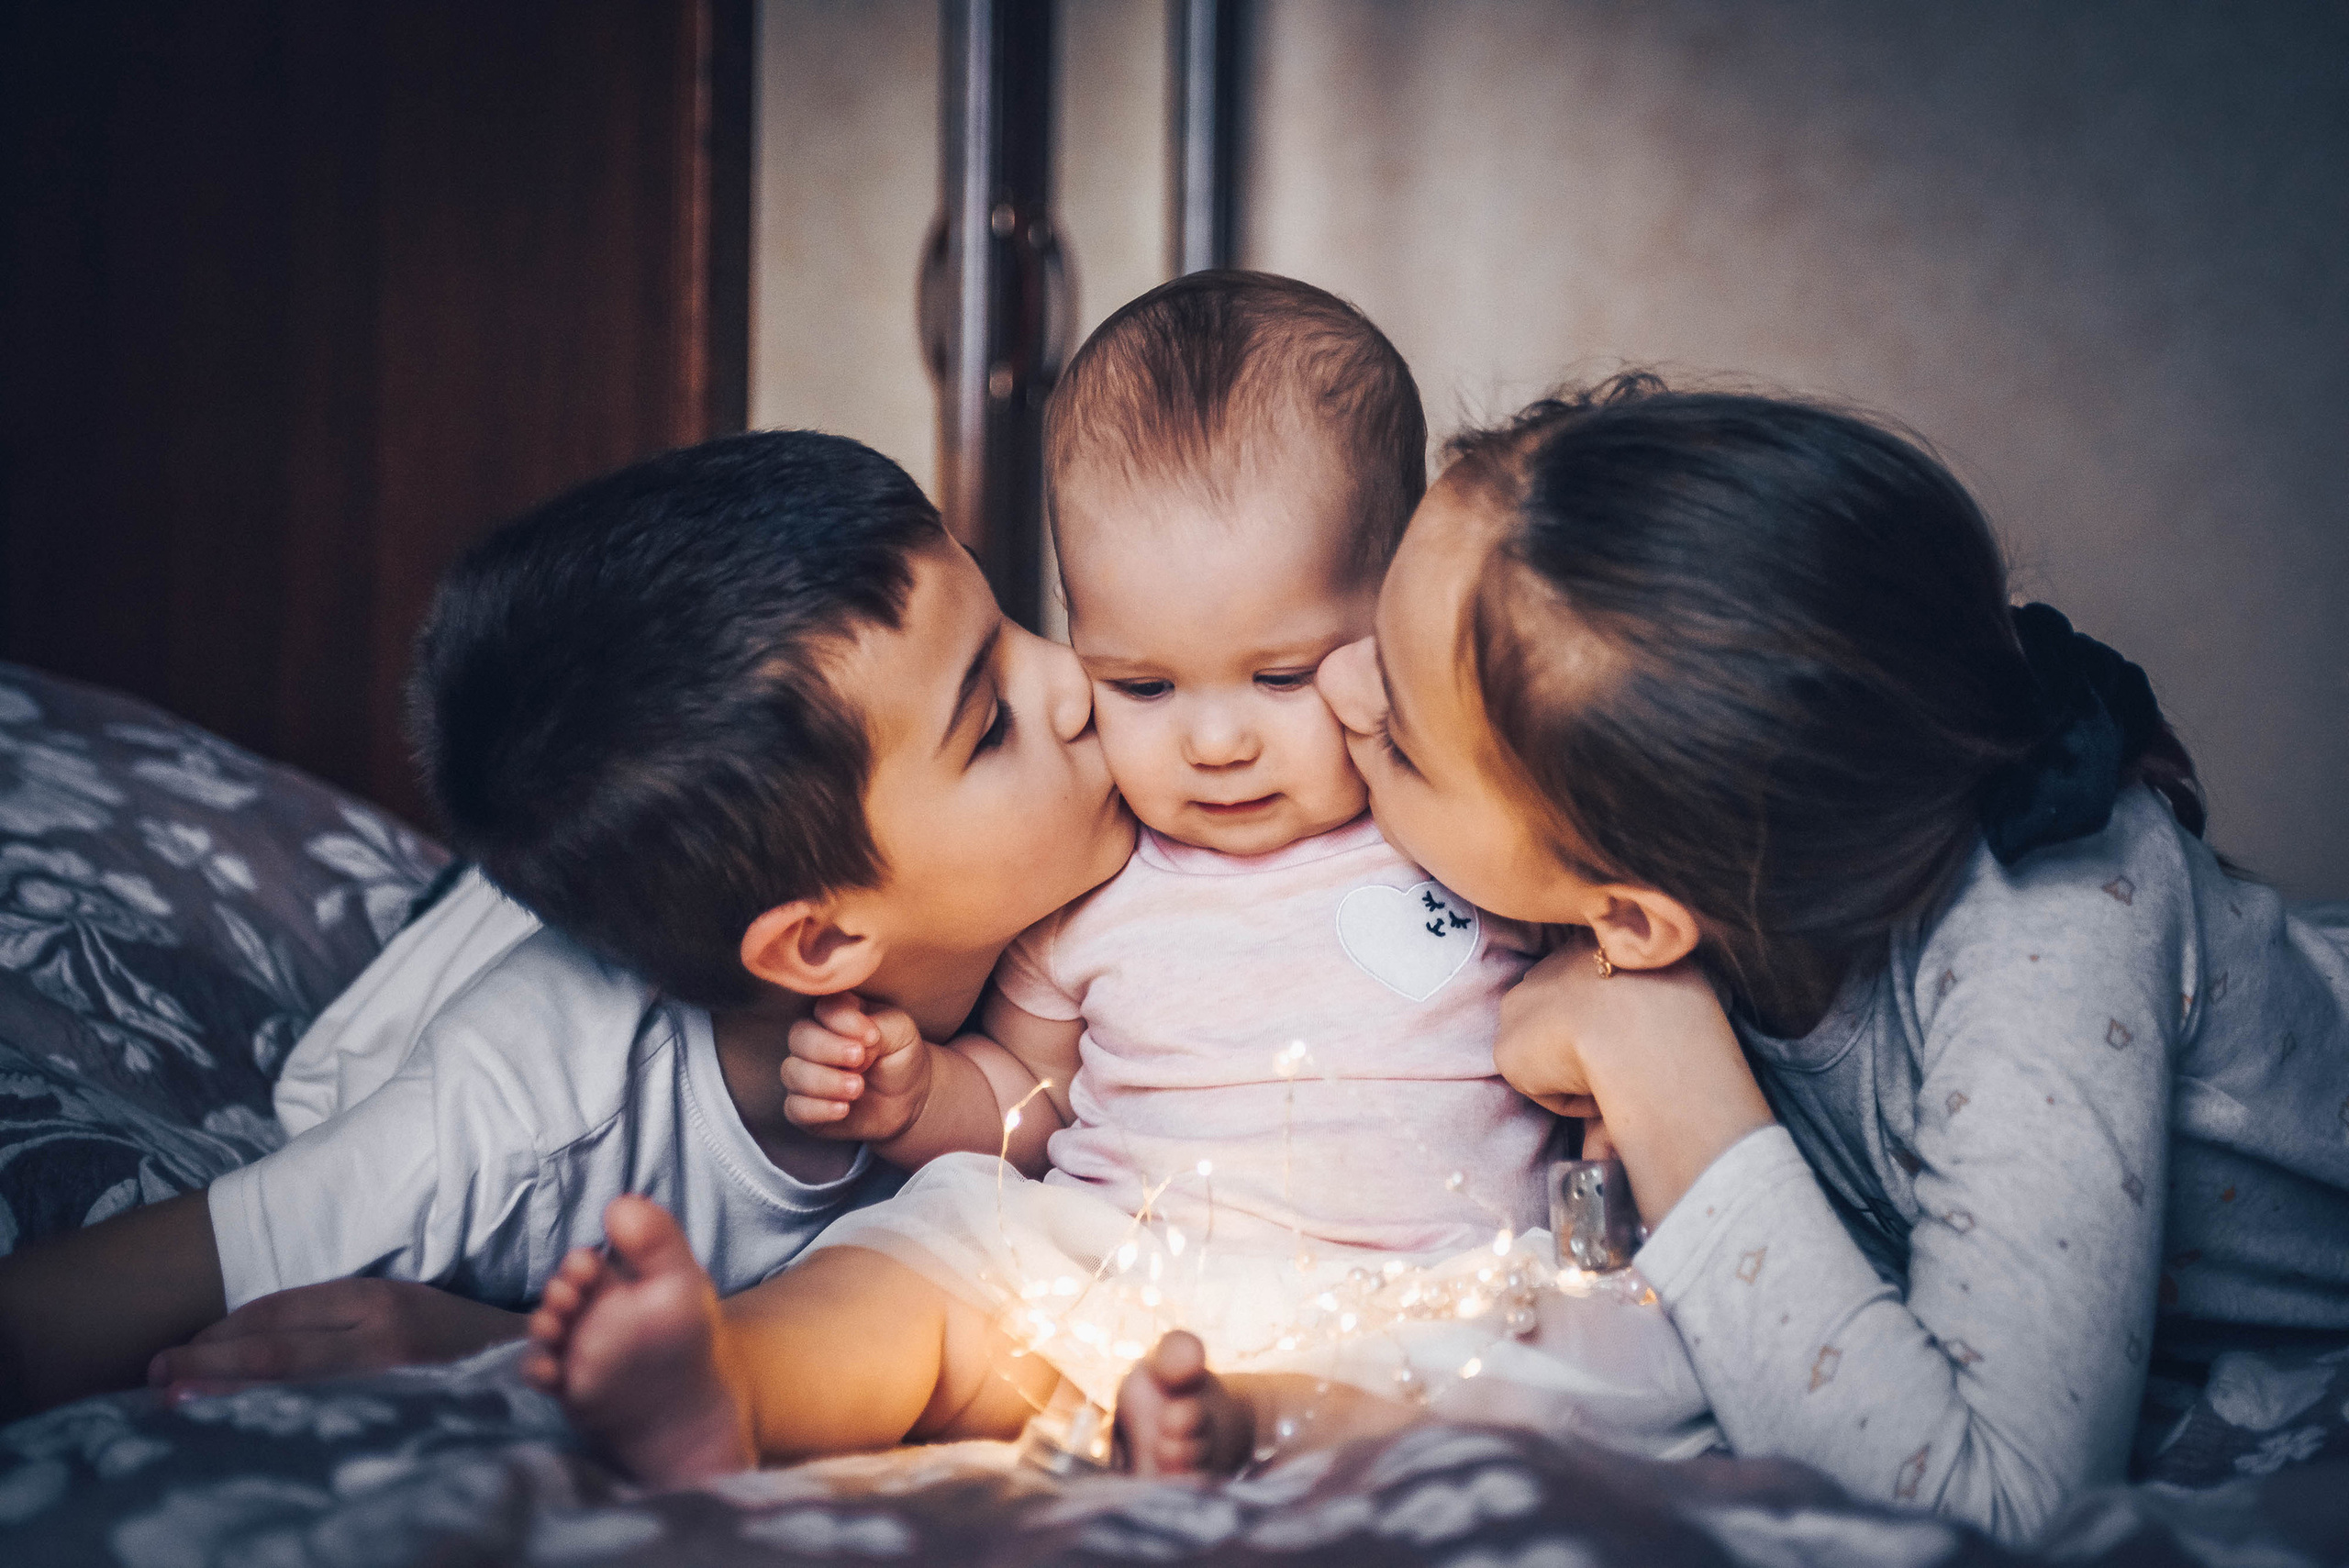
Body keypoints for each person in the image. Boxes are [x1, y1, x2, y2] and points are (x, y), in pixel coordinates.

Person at [523, 273, 1710, 1484]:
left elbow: (1605, 984)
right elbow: (1020, 1105)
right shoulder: (1090, 878)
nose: (1215, 742)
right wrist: (917, 1091)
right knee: (934, 1256)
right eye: (1142, 686)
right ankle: (735, 1382)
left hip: (1414, 1283)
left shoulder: (1457, 827)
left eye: (1283, 675)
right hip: (1121, 1263)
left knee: (1572, 1360)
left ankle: (1241, 1423)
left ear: (1396, 610)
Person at [1312, 373, 2349, 1543]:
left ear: (1639, 919)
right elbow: (1619, 1300)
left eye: (1398, 733)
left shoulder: (2048, 936)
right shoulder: (1688, 849)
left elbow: (1997, 1509)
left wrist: (1654, 1055)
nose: (1335, 679)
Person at [0, 430, 1134, 1416]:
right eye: (990, 724)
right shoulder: (508, 1120)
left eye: (1010, 614)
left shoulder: (1101, 868)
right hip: (447, 999)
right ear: (824, 941)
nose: (1077, 682)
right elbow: (58, 1315)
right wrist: (490, 1342)